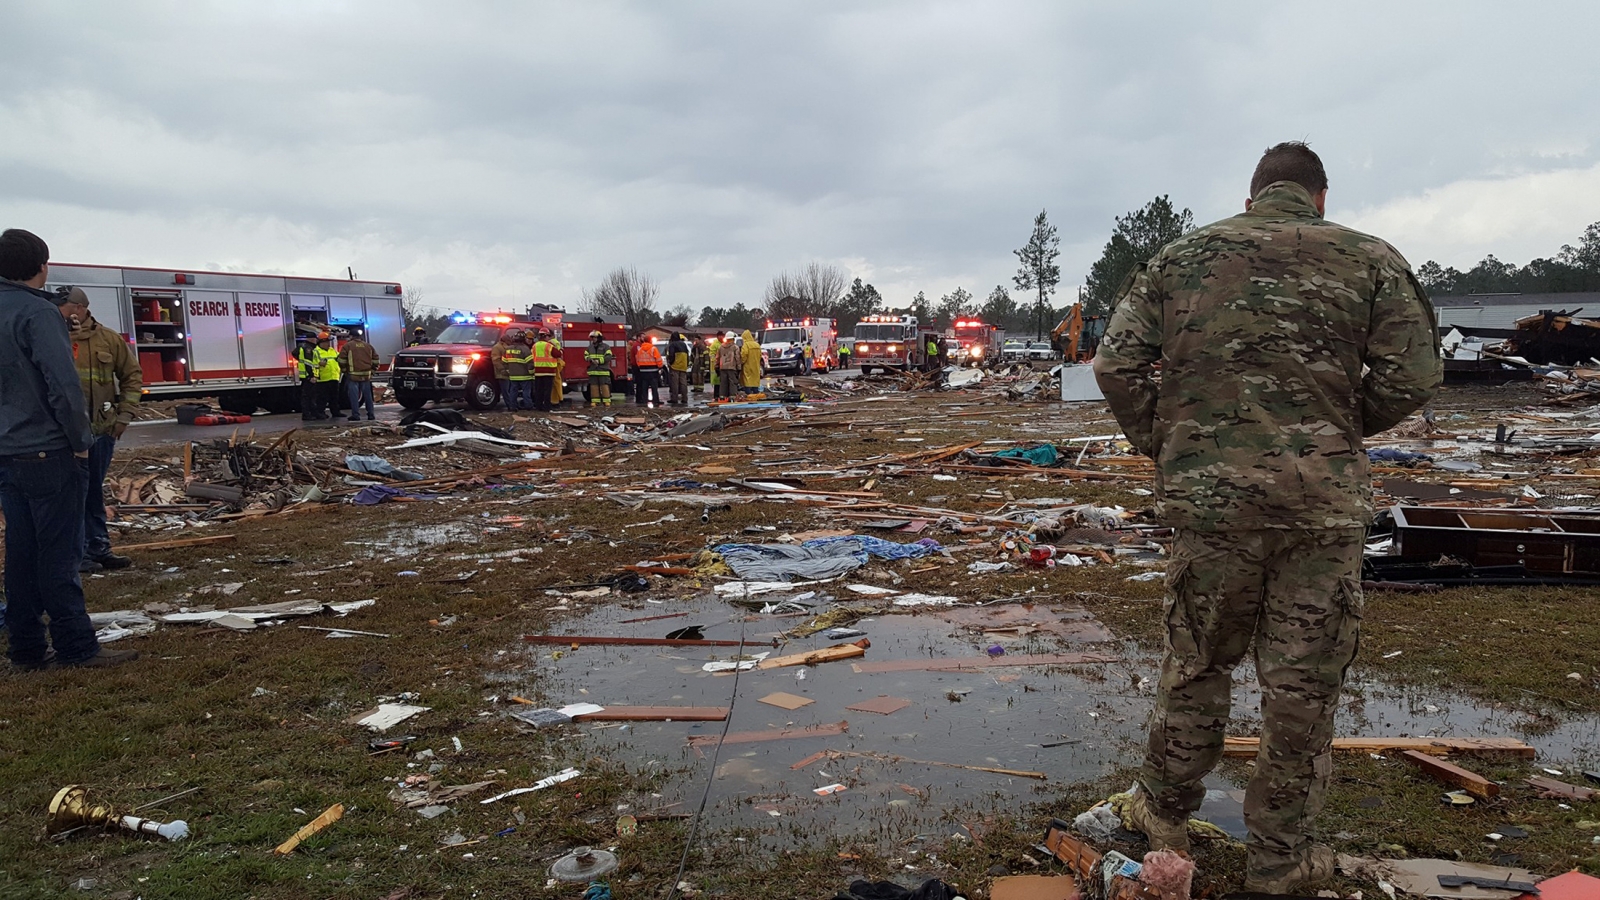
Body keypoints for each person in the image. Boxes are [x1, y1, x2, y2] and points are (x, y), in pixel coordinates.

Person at [1092, 142, 1442, 895]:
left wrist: (1169, 442)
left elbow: (1114, 364)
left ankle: (1162, 815)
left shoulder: (1184, 257)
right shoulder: (1370, 258)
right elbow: (1417, 372)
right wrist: (1337, 426)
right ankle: (1280, 859)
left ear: (1252, 199)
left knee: (1196, 664)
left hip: (1212, 508)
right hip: (1320, 510)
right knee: (1302, 687)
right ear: (1320, 198)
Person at [0, 228, 136, 669]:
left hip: (7, 455)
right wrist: (80, 444)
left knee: (20, 554)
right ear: (43, 266)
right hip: (48, 453)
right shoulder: (38, 314)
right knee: (59, 554)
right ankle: (77, 646)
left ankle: (25, 649)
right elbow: (63, 386)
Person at [56, 287, 140, 574]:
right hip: (65, 435)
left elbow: (132, 375)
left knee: (93, 492)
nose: (59, 312)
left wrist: (124, 416)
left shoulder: (108, 339)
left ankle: (98, 548)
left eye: (64, 307)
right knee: (72, 494)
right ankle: (78, 554)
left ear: (79, 308)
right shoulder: (52, 338)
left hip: (101, 431)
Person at [339, 329, 379, 421]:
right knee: (368, 396)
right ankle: (371, 414)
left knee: (354, 396)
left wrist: (345, 370)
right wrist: (372, 371)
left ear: (351, 336)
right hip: (366, 375)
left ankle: (356, 415)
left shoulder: (348, 346)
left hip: (353, 375)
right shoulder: (368, 346)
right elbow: (376, 360)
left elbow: (341, 360)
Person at [501, 328, 533, 410]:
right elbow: (530, 363)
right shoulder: (525, 349)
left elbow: (504, 362)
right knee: (526, 392)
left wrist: (508, 371)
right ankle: (528, 406)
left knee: (513, 391)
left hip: (512, 375)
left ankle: (513, 406)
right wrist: (532, 373)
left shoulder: (508, 349)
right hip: (525, 375)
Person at [530, 328, 560, 412]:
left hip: (538, 372)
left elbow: (532, 356)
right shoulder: (549, 346)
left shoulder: (534, 345)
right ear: (545, 336)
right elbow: (558, 354)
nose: (549, 338)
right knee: (547, 390)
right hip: (548, 371)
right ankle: (547, 407)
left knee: (539, 390)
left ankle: (538, 406)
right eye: (548, 336)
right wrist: (560, 350)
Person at [584, 331, 614, 407]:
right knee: (594, 386)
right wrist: (588, 359)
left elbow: (609, 356)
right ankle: (595, 401)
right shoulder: (590, 347)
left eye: (595, 337)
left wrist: (599, 361)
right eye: (592, 338)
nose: (593, 339)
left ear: (599, 338)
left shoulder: (605, 347)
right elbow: (585, 355)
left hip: (603, 370)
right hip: (593, 370)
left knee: (604, 386)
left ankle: (606, 401)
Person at [633, 336, 664, 406]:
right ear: (650, 341)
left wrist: (641, 367)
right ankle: (655, 400)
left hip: (643, 372)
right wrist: (660, 367)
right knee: (654, 387)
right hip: (653, 371)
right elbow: (658, 359)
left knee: (644, 387)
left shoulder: (640, 349)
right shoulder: (653, 349)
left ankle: (644, 400)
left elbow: (637, 359)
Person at [490, 329, 514, 410]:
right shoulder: (497, 348)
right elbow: (496, 360)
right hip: (502, 373)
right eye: (508, 340)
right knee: (505, 391)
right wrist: (502, 370)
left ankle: (512, 405)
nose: (510, 342)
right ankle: (510, 406)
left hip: (509, 371)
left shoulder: (506, 346)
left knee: (509, 390)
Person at [666, 332, 691, 406]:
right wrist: (686, 364)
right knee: (683, 383)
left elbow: (671, 355)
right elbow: (687, 355)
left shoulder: (672, 345)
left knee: (675, 383)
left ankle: (674, 398)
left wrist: (670, 363)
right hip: (683, 366)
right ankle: (685, 398)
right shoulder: (684, 344)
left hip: (675, 366)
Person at [716, 331, 740, 400]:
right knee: (732, 382)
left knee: (723, 383)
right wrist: (739, 368)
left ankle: (722, 397)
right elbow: (737, 358)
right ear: (733, 338)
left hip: (722, 368)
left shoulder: (721, 347)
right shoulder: (735, 347)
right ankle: (733, 397)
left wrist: (716, 367)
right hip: (732, 368)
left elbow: (717, 358)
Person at [739, 328, 764, 394]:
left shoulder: (746, 345)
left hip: (748, 366)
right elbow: (760, 355)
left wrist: (740, 363)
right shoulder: (757, 345)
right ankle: (756, 394)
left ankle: (749, 395)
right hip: (756, 366)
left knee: (748, 382)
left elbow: (744, 356)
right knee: (755, 381)